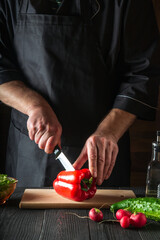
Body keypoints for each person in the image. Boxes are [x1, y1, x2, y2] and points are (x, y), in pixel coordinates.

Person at [0, 0, 159, 187]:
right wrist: (34, 105)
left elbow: (143, 73)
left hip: (102, 153)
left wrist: (109, 131)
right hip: (30, 153)